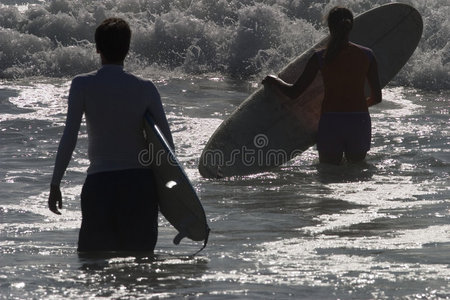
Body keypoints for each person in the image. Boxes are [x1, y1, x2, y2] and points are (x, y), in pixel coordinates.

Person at [48, 18, 173, 252]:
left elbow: (69, 136)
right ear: (127, 49)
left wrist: (55, 183)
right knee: (141, 264)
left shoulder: (82, 85)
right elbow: (167, 147)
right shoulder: (145, 88)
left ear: (97, 48)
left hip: (100, 185)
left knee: (94, 266)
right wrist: (171, 196)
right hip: (139, 187)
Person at [262, 7, 382, 165]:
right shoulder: (367, 55)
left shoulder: (320, 57)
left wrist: (273, 80)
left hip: (331, 121)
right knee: (357, 175)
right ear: (351, 26)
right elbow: (377, 97)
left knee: (328, 177)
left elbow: (294, 92)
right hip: (359, 122)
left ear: (330, 27)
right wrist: (355, 108)